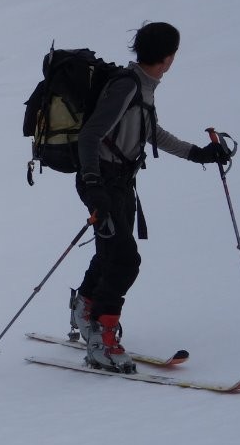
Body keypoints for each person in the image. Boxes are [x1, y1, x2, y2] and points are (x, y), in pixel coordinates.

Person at [69, 22, 230, 372]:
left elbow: (149, 131)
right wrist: (95, 185)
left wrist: (197, 154)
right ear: (169, 58)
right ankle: (102, 338)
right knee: (126, 260)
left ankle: (85, 306)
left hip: (120, 183)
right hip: (102, 182)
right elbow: (89, 136)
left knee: (111, 252)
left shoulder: (142, 86)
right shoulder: (127, 86)